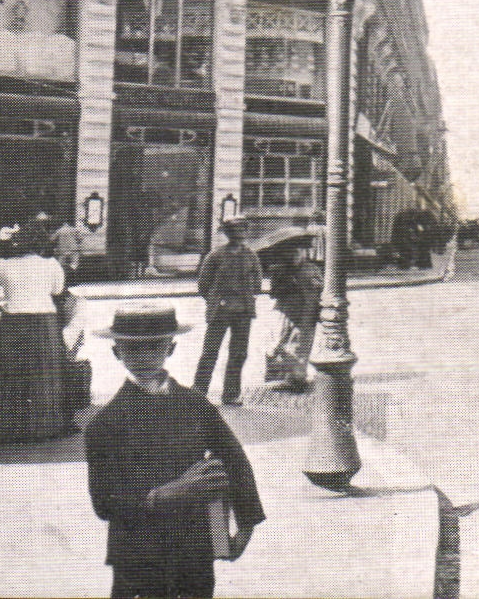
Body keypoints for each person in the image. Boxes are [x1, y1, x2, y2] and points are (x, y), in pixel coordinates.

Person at [86, 305, 265, 599]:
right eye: (132, 348)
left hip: (193, 548)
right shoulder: (104, 424)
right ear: (116, 353)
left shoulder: (196, 406)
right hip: (137, 555)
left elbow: (235, 460)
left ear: (171, 347)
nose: (144, 357)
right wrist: (167, 494)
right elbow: (104, 503)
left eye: (154, 346)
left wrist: (246, 524)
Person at [0, 229, 69, 440]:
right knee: (43, 372)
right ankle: (42, 426)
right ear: (40, 245)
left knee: (11, 372)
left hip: (13, 323)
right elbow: (58, 290)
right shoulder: (52, 264)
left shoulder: (2, 265)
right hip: (44, 323)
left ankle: (9, 426)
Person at [194, 220, 262, 405]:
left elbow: (257, 284)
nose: (238, 235)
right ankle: (199, 394)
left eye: (242, 230)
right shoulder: (215, 256)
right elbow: (203, 284)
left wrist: (248, 294)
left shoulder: (251, 256)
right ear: (227, 234)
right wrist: (216, 300)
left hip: (243, 312)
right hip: (220, 311)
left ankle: (231, 394)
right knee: (210, 351)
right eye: (234, 231)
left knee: (238, 353)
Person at [265, 242, 321, 390]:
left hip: (307, 311)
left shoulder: (312, 268)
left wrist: (317, 286)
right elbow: (273, 292)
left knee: (302, 344)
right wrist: (290, 284)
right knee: (280, 341)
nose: (296, 255)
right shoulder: (279, 269)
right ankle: (280, 376)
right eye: (293, 252)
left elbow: (320, 287)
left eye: (299, 252)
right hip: (286, 311)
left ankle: (298, 378)